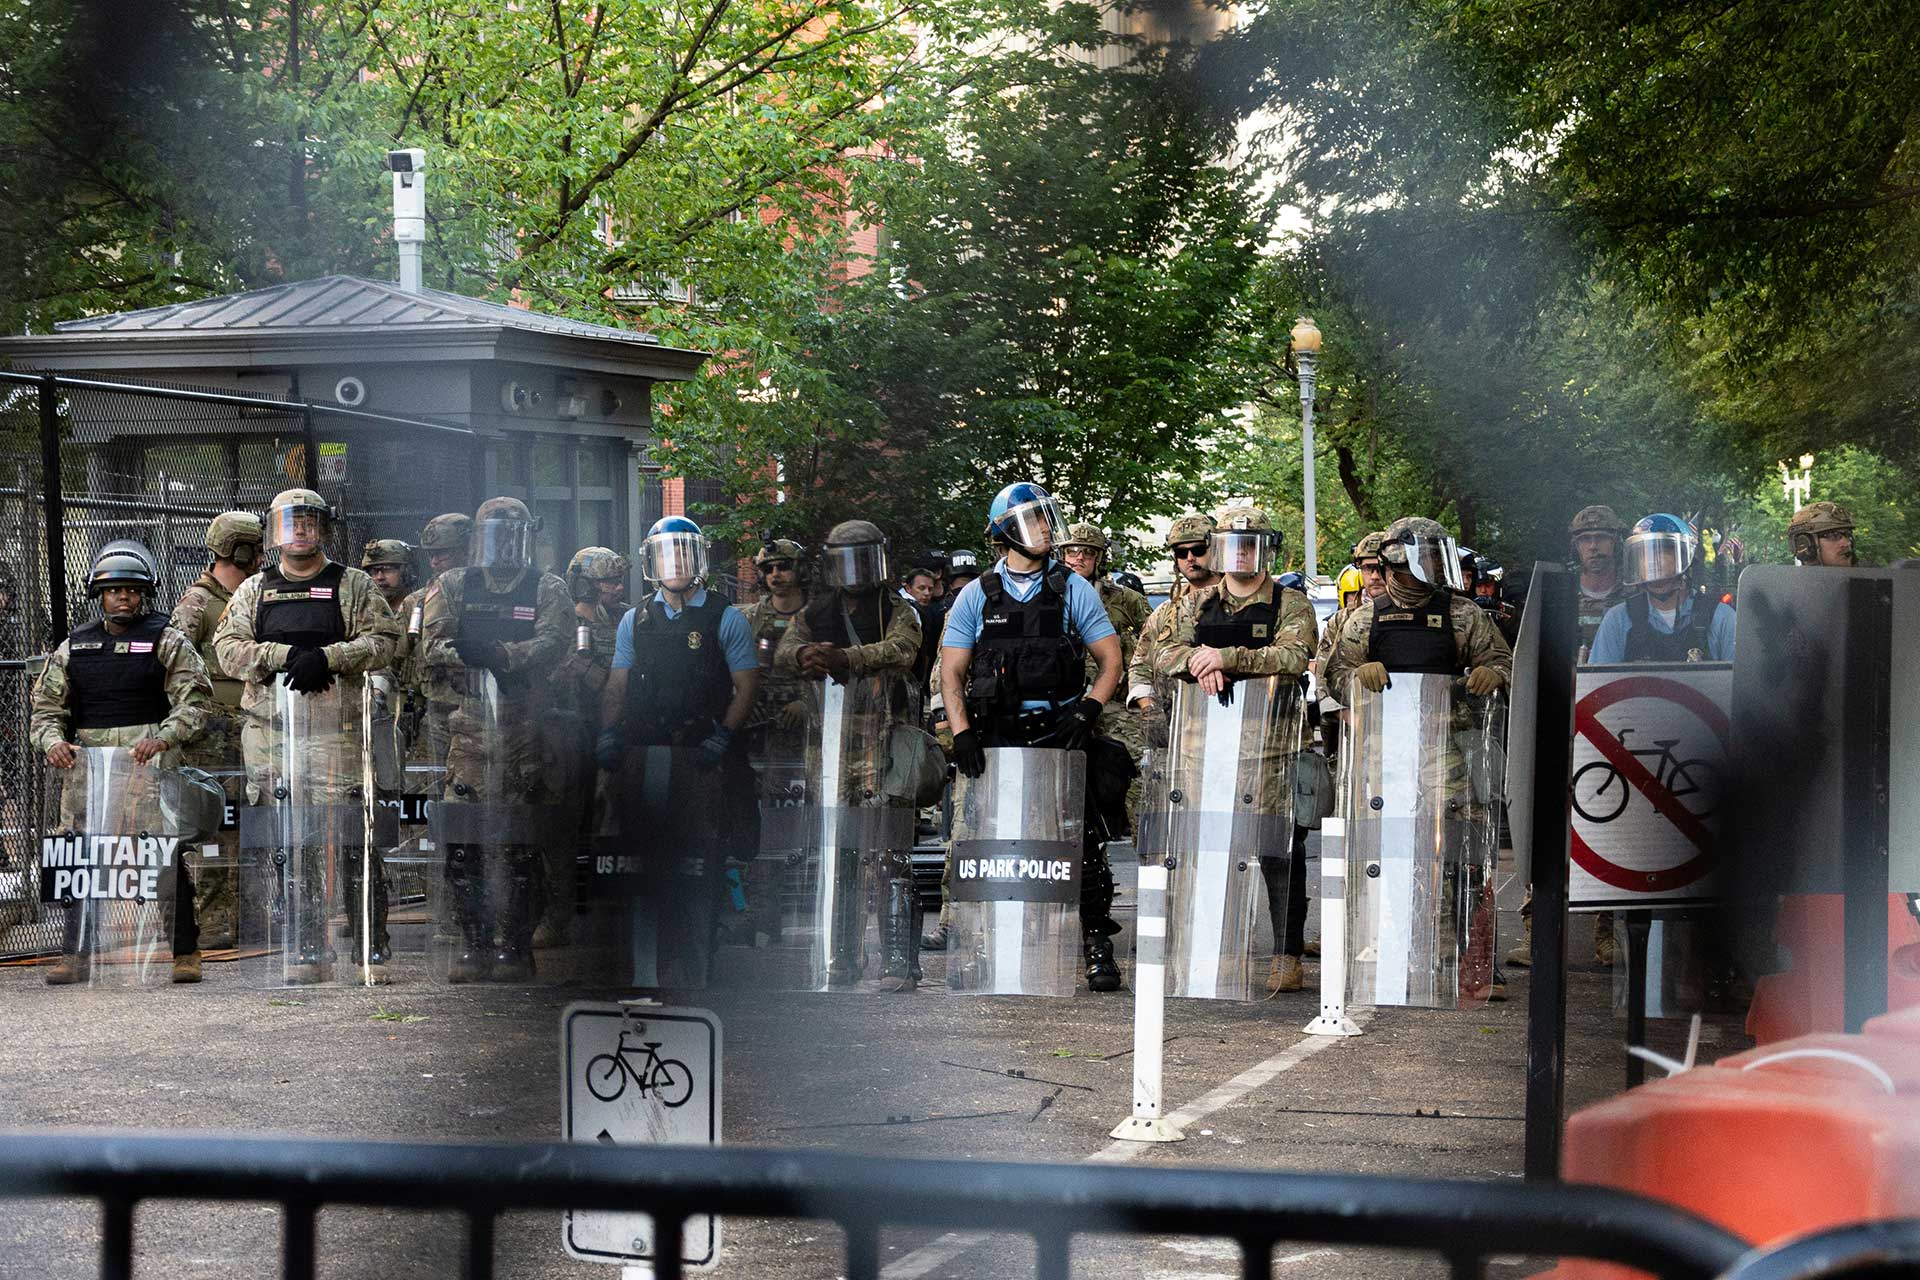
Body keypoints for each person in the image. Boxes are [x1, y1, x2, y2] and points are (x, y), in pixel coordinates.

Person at [938, 481, 1126, 990]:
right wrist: (961, 735)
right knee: (987, 842)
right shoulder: (976, 595)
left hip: (1062, 732)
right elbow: (950, 673)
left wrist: (1088, 709)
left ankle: (1095, 944)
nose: (1045, 527)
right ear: (1006, 532)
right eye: (1033, 519)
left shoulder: (1072, 588)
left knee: (1082, 842)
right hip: (997, 737)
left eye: (1047, 516)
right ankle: (982, 944)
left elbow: (1111, 661)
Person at [1323, 516, 1513, 999]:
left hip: (1449, 745)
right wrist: (1356, 675)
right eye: (1421, 557)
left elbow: (1503, 662)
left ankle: (1475, 958)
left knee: (1465, 853)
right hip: (1387, 751)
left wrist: (1491, 673)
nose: (1429, 567)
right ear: (1397, 563)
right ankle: (1395, 946)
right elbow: (1333, 678)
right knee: (1389, 852)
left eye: (1435, 556)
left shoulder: (1464, 613)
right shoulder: (1364, 618)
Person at [215, 489, 400, 983]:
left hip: (337, 735)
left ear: (323, 528)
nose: (300, 530)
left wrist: (331, 658)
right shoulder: (255, 590)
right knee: (294, 845)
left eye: (310, 521)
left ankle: (369, 949)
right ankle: (308, 948)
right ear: (276, 530)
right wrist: (282, 657)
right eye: (291, 522)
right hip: (276, 737)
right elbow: (227, 649)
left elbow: (385, 641)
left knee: (355, 843)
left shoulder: (353, 584)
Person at [32, 541, 214, 985]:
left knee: (163, 858)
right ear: (99, 594)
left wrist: (164, 738)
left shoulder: (167, 640)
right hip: (87, 772)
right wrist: (53, 742)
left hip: (148, 768)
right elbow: (45, 709)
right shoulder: (74, 646)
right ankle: (76, 954)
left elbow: (195, 702)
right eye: (113, 590)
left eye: (132, 590)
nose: (123, 598)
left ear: (144, 593)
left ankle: (185, 953)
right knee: (80, 858)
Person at [1153, 507, 1319, 992]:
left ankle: (1286, 954)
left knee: (1278, 850)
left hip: (1270, 747)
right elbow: (1164, 653)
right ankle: (1216, 946)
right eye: (1234, 545)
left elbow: (1293, 655)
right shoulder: (1196, 603)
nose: (1242, 554)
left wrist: (1226, 656)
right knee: (1210, 848)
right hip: (1206, 749)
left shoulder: (1291, 603)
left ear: (1266, 550)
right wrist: (1197, 663)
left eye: (1252, 545)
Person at [597, 516, 761, 987]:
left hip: (701, 754)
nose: (675, 564)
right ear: (652, 562)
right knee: (644, 853)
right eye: (666, 555)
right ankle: (649, 959)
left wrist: (724, 736)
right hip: (647, 751)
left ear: (698, 559)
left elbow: (745, 685)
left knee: (701, 854)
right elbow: (617, 684)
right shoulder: (636, 618)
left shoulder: (724, 616)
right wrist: (607, 734)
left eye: (683, 554)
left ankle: (698, 956)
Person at [419, 497, 571, 981]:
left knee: (522, 847)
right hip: (468, 730)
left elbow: (554, 642)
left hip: (526, 730)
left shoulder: (547, 587)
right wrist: (473, 656)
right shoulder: (453, 584)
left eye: (512, 534)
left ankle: (516, 946)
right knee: (464, 845)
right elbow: (432, 644)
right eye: (494, 534)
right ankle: (475, 943)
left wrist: (502, 653)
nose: (503, 545)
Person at [774, 519, 924, 990]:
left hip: (886, 744)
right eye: (844, 560)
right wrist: (807, 657)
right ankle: (842, 954)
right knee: (841, 854)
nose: (854, 571)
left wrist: (847, 659)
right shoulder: (816, 611)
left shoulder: (898, 608)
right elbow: (784, 651)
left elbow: (903, 649)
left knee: (891, 856)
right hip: (834, 746)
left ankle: (899, 958)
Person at [167, 510, 264, 950]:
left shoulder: (254, 596)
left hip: (252, 722)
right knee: (211, 826)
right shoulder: (198, 602)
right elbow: (173, 662)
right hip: (211, 731)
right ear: (241, 550)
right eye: (256, 548)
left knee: (247, 824)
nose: (263, 556)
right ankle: (211, 921)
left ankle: (248, 914)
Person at [541, 545, 627, 948]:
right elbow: (551, 674)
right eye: (607, 580)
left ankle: (607, 912)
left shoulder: (624, 618)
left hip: (610, 732)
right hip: (568, 733)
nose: (616, 587)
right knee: (563, 826)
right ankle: (557, 916)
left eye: (616, 579)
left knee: (610, 822)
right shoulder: (560, 621)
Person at [1060, 522, 1151, 821]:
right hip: (1061, 702)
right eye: (1071, 550)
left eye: (1087, 552)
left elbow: (1155, 645)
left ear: (1099, 558)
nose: (1078, 558)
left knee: (1147, 764)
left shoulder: (1126, 600)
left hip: (1113, 703)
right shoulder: (1045, 594)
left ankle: (1147, 847)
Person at [1126, 514, 1223, 748]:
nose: (1190, 558)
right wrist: (1148, 707)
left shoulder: (1238, 605)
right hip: (1176, 730)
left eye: (1199, 549)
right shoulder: (1164, 612)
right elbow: (1140, 665)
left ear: (1216, 550)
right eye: (1181, 553)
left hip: (1228, 719)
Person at [1587, 514, 1737, 665]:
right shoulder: (1618, 620)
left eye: (1662, 552)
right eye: (1643, 555)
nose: (1652, 562)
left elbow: (1740, 682)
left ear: (1686, 557)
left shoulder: (1721, 618)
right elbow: (1599, 683)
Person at [403, 513, 474, 770]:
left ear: (467, 550)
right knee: (430, 784)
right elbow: (399, 656)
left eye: (442, 553)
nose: (434, 562)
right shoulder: (417, 602)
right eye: (430, 554)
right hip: (437, 708)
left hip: (483, 707)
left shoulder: (489, 593)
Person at [1569, 505, 1630, 657]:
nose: (1593, 546)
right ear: (1576, 546)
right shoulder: (1563, 592)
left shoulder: (1635, 591)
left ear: (1616, 542)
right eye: (1585, 539)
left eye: (1601, 538)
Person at [1788, 501, 1859, 567]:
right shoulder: (1789, 580)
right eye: (1833, 535)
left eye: (1848, 535)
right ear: (1804, 544)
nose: (1847, 543)